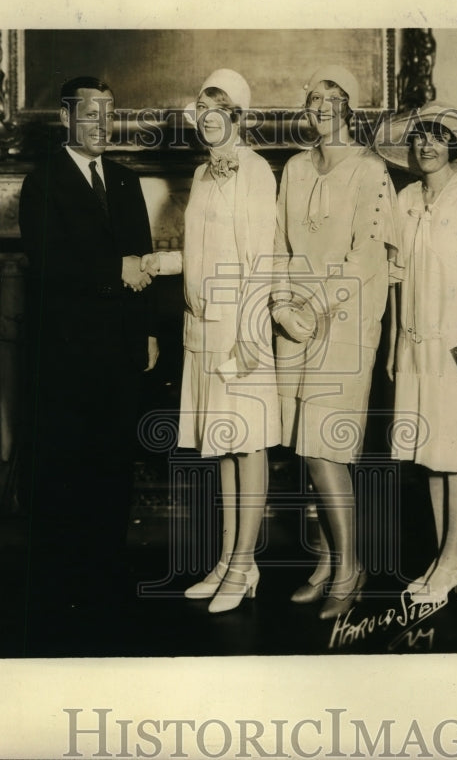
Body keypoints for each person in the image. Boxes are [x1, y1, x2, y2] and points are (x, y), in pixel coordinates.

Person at [18, 76, 158, 636]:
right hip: (68, 356)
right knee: (68, 468)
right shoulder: (42, 181)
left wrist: (147, 334)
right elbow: (48, 264)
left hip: (121, 353)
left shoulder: (125, 181)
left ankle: (105, 573)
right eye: (91, 112)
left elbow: (144, 260)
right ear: (67, 117)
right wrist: (112, 273)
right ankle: (65, 586)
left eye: (109, 111)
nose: (102, 121)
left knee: (113, 466)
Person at [144, 69, 280, 613]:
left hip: (238, 330)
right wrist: (163, 262)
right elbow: (204, 255)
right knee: (220, 445)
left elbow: (261, 261)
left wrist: (250, 337)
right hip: (201, 328)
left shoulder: (255, 172)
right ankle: (228, 562)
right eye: (201, 107)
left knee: (247, 444)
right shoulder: (203, 176)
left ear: (237, 117)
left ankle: (246, 565)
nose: (206, 117)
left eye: (217, 107)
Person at [272, 65, 397, 620]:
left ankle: (351, 568)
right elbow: (277, 243)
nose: (320, 108)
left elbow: (367, 257)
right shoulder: (296, 168)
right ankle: (325, 562)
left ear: (348, 107)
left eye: (331, 99)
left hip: (343, 320)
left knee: (327, 449)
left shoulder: (371, 172)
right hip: (293, 322)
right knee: (306, 446)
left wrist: (314, 306)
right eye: (312, 98)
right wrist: (281, 304)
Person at [375, 101, 457, 604]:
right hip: (413, 339)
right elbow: (394, 277)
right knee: (428, 454)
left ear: (452, 145)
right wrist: (391, 345)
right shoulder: (404, 198)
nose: (426, 145)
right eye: (418, 137)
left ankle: (454, 558)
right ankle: (442, 558)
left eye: (436, 137)